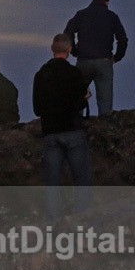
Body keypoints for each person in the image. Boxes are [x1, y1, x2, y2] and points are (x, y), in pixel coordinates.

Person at [33, 33, 92, 219]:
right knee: (81, 179)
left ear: (52, 50)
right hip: (73, 130)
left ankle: (53, 223)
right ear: (69, 50)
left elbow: (37, 109)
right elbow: (80, 103)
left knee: (52, 182)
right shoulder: (75, 74)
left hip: (50, 131)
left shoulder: (40, 75)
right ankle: (82, 220)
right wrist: (84, 99)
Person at [63, 0, 128, 116]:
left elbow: (68, 32)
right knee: (105, 105)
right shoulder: (112, 16)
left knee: (77, 99)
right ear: (107, 1)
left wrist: (75, 51)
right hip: (104, 62)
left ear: (93, 0)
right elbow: (122, 39)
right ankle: (104, 131)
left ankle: (77, 128)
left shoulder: (81, 14)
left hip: (83, 61)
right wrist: (117, 57)